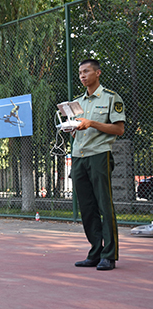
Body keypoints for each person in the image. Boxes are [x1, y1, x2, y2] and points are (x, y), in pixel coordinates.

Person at [71, 59, 125, 271]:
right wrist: (72, 128)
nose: (82, 75)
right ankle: (95, 251)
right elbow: (78, 129)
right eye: (80, 72)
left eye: (86, 71)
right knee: (87, 207)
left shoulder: (111, 98)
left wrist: (91, 123)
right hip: (78, 156)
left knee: (104, 204)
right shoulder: (77, 103)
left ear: (98, 73)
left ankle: (109, 255)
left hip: (99, 154)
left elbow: (119, 129)